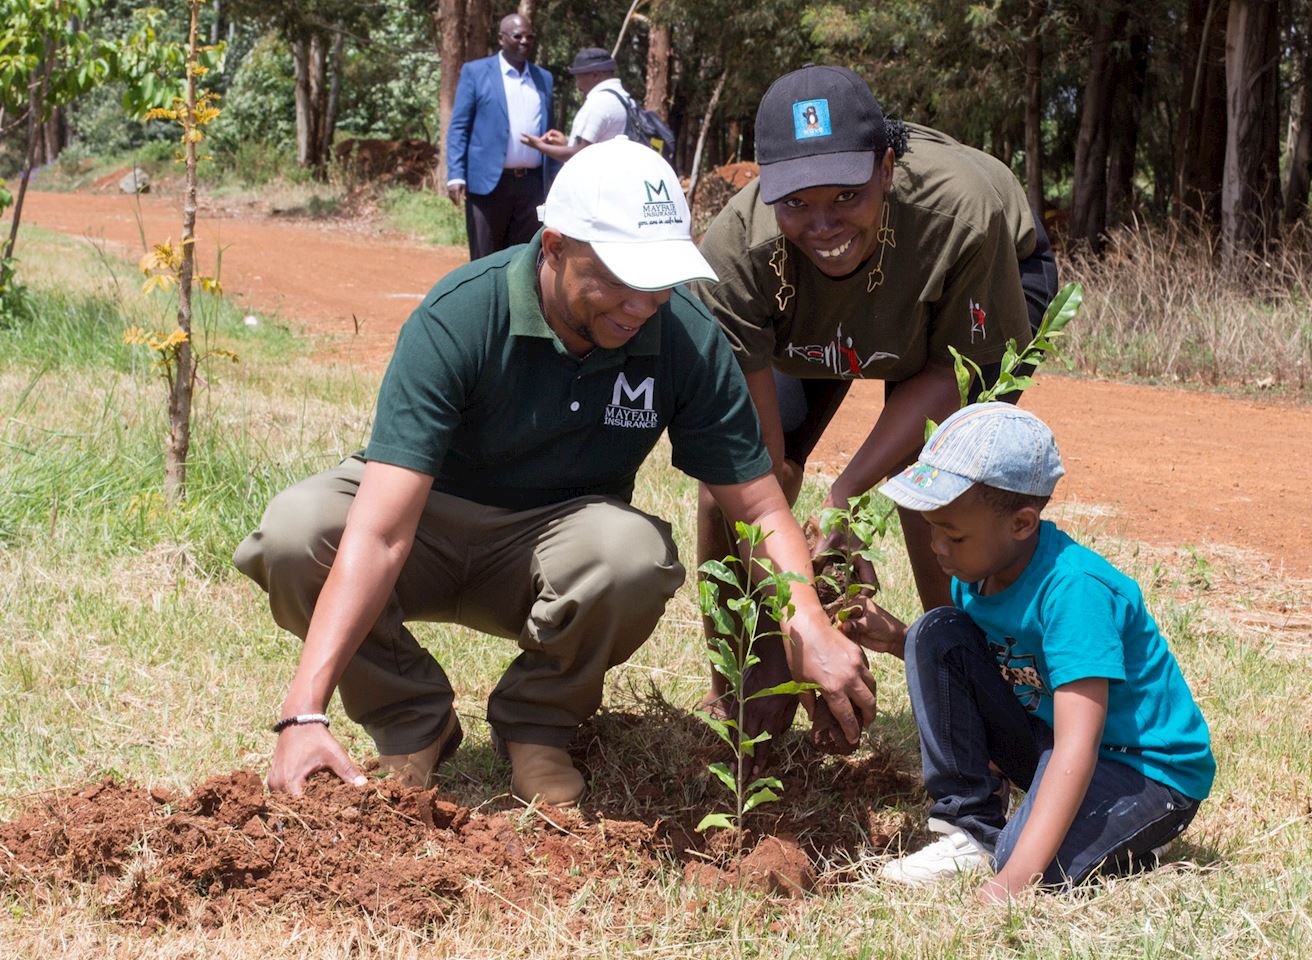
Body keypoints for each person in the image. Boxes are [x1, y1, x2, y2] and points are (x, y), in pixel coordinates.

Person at [235, 138, 876, 807]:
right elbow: (381, 533)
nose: (640, 304)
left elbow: (760, 508)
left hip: (551, 549)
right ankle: (410, 723)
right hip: (425, 524)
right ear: (554, 245)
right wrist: (303, 710)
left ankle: (538, 726)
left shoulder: (683, 335)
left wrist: (810, 626)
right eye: (619, 279)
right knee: (297, 530)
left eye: (657, 282)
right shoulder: (463, 315)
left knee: (630, 556)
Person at [695, 64, 1059, 751]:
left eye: (847, 195)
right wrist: (799, 616)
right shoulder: (737, 255)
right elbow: (756, 469)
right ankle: (740, 682)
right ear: (763, 188)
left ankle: (967, 695)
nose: (824, 221)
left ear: (887, 169)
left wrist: (846, 496)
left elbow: (952, 374)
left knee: (943, 481)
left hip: (968, 289)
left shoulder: (963, 215)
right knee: (731, 489)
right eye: (796, 201)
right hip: (812, 322)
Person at [845, 403, 1214, 899]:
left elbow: (1078, 746)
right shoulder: (980, 575)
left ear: (1022, 523)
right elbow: (995, 671)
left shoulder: (1073, 593)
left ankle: (1136, 840)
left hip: (1143, 769)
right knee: (937, 631)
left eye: (953, 534)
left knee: (1029, 864)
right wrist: (897, 639)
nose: (937, 547)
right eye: (931, 527)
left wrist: (1010, 883)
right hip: (1055, 739)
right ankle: (969, 828)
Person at [445, 12, 556, 261]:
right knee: (485, 258)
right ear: (501, 39)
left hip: (532, 186)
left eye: (530, 36)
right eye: (518, 36)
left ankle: (514, 302)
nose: (525, 41)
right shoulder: (476, 72)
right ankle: (485, 301)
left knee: (524, 258)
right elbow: (459, 127)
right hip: (487, 184)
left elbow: (551, 130)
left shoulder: (543, 78)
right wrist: (455, 175)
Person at [522, 47, 632, 164]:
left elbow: (578, 155)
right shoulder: (626, 100)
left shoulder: (599, 103)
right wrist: (566, 144)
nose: (577, 85)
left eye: (578, 77)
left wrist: (539, 146)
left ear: (595, 75)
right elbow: (597, 146)